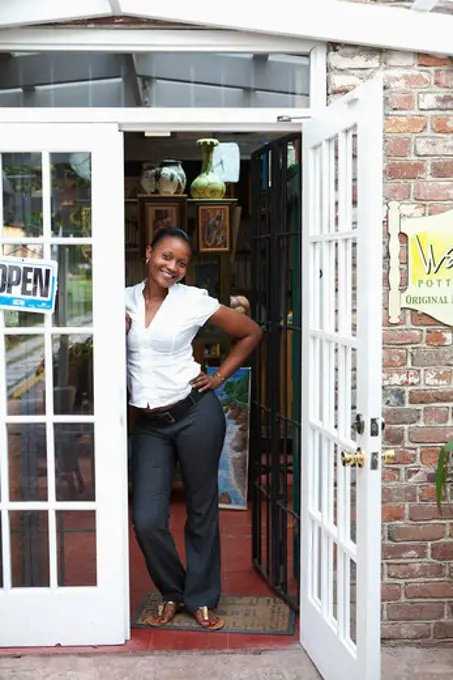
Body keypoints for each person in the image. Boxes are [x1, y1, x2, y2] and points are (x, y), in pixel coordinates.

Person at [125, 226, 262, 631]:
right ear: (149, 254)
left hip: (195, 415)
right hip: (149, 423)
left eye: (182, 263)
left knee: (202, 510)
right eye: (167, 257)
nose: (173, 267)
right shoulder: (122, 300)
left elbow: (250, 331)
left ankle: (202, 599)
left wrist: (219, 378)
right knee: (147, 518)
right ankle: (173, 591)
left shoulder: (193, 301)